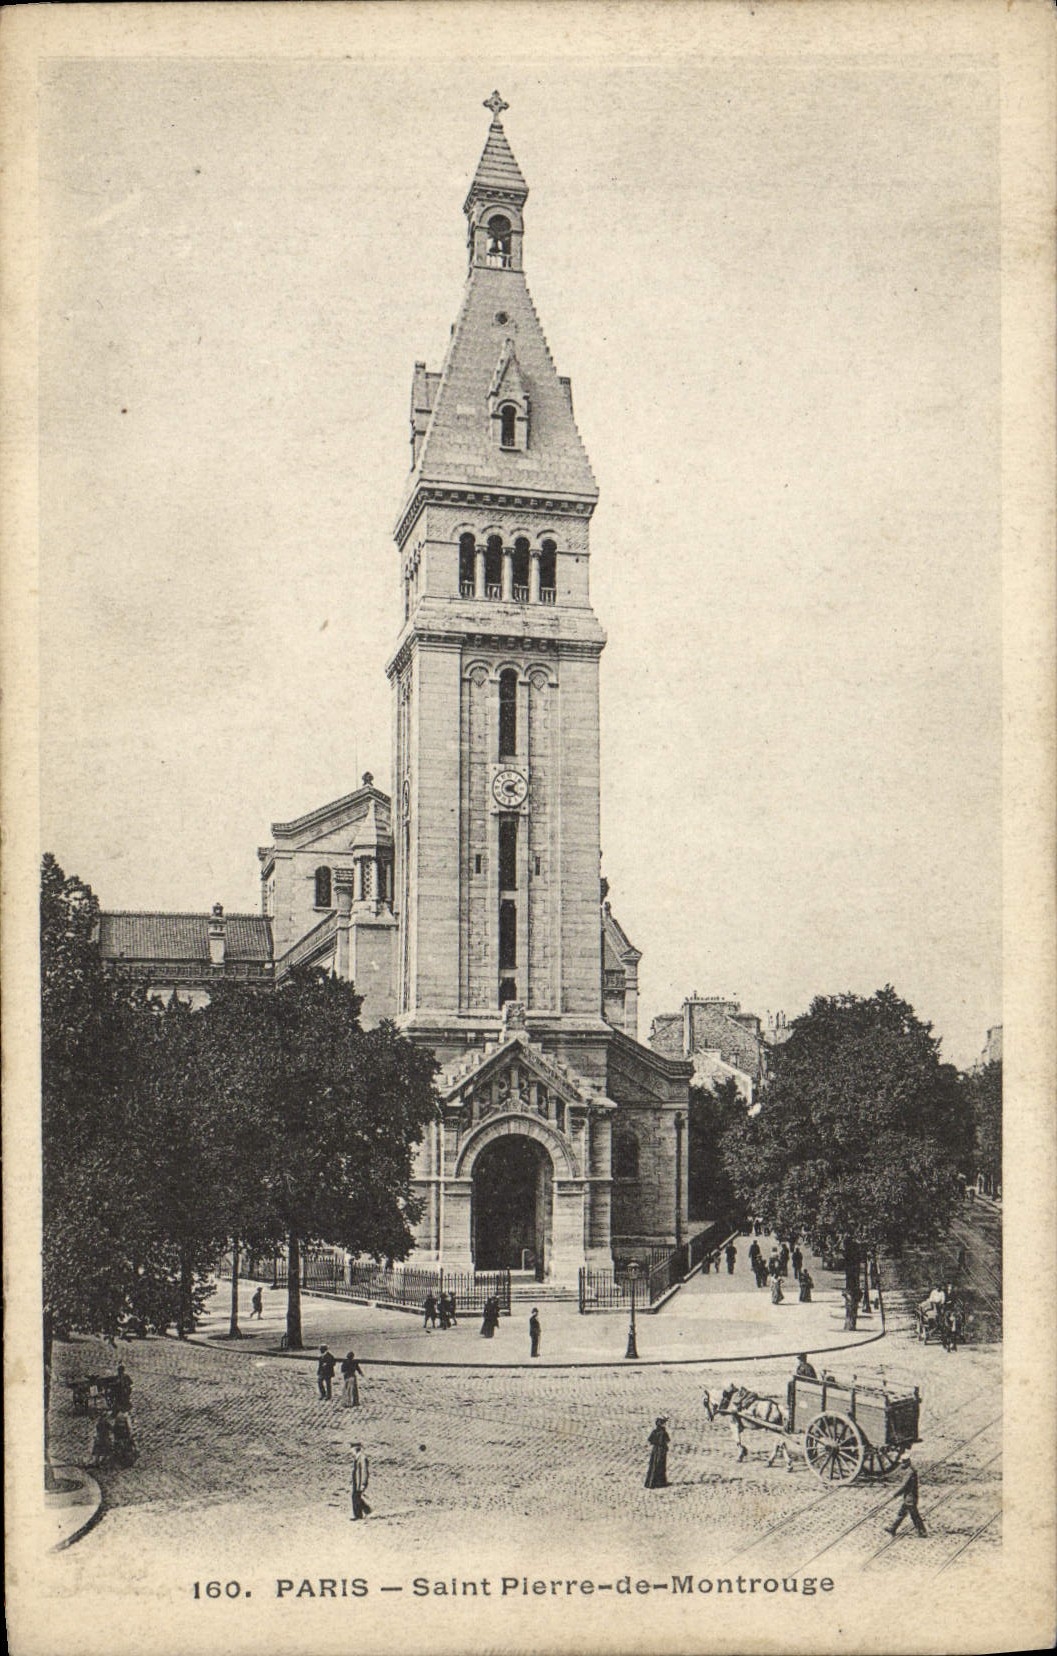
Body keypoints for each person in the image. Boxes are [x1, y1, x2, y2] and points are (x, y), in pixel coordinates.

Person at [885, 1456, 926, 1537]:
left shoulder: (909, 1473)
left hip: (910, 1499)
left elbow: (904, 1486)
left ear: (907, 1462)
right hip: (910, 1498)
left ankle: (922, 1532)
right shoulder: (910, 1471)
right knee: (905, 1513)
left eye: (903, 1462)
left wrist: (894, 1494)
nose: (901, 1465)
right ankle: (893, 1528)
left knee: (912, 1515)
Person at [644, 1416, 671, 1488]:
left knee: (653, 1465)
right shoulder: (663, 1432)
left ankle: (651, 1482)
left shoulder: (655, 1431)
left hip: (655, 1450)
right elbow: (667, 1440)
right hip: (661, 1450)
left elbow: (650, 1440)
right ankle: (660, 1482)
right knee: (660, 1465)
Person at [350, 1442, 371, 1521]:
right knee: (356, 1497)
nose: (350, 1451)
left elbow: (364, 1471)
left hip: (359, 1483)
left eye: (351, 1449)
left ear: (355, 1449)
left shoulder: (362, 1458)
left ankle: (362, 1514)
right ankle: (364, 1512)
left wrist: (362, 1484)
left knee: (356, 1497)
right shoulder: (358, 1457)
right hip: (357, 1482)